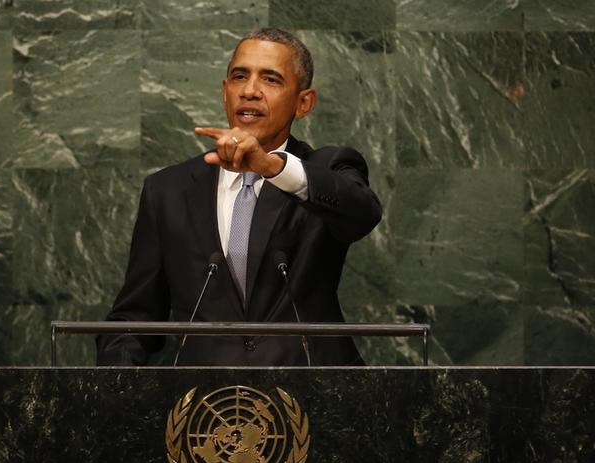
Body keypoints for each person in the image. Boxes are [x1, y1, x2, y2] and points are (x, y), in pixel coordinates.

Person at [97, 28, 382, 366]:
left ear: (304, 102)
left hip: (312, 395)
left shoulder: (327, 170)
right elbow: (136, 317)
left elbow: (362, 213)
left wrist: (273, 168)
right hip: (204, 404)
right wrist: (115, 389)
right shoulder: (167, 190)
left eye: (271, 79)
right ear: (224, 91)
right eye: (239, 76)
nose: (250, 91)